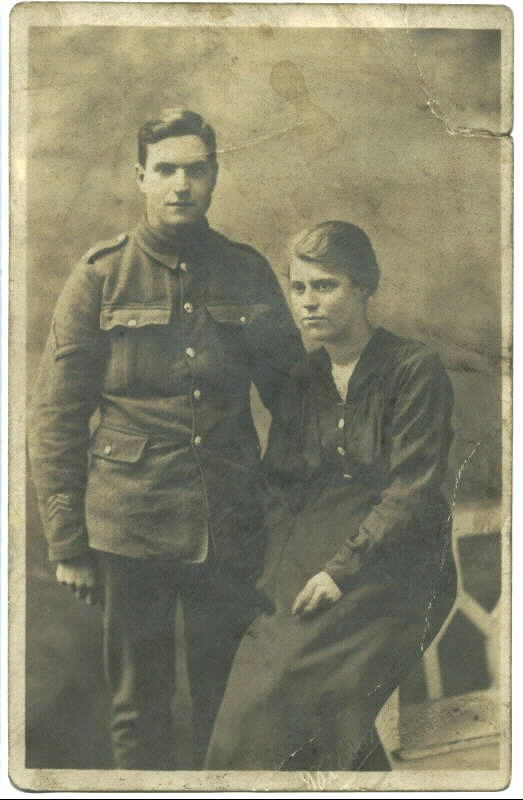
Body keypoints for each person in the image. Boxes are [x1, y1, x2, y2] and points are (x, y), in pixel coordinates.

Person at [27, 108, 304, 770]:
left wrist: (282, 508)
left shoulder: (245, 271)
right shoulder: (99, 276)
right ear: (141, 178)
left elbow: (295, 402)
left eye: (196, 169)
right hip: (129, 526)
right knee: (137, 704)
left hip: (231, 524)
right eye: (167, 170)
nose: (182, 184)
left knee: (228, 700)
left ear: (213, 175)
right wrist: (67, 544)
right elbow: (55, 416)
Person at [205, 220, 458, 771]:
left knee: (297, 688)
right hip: (310, 566)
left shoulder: (414, 371)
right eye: (298, 289)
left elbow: (410, 493)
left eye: (326, 286)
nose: (308, 304)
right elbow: (281, 492)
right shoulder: (303, 380)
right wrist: (275, 578)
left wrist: (338, 573)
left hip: (398, 570)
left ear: (364, 287)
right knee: (253, 696)